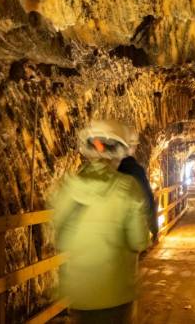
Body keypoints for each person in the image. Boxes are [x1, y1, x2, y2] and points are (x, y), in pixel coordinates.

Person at [51, 120, 151, 324]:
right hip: (116, 292)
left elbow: (60, 240)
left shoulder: (67, 188)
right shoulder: (127, 188)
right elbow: (139, 241)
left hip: (80, 295)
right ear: (119, 152)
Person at [119, 155, 159, 242]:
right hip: (140, 202)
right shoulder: (139, 171)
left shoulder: (119, 171)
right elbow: (148, 197)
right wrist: (154, 230)